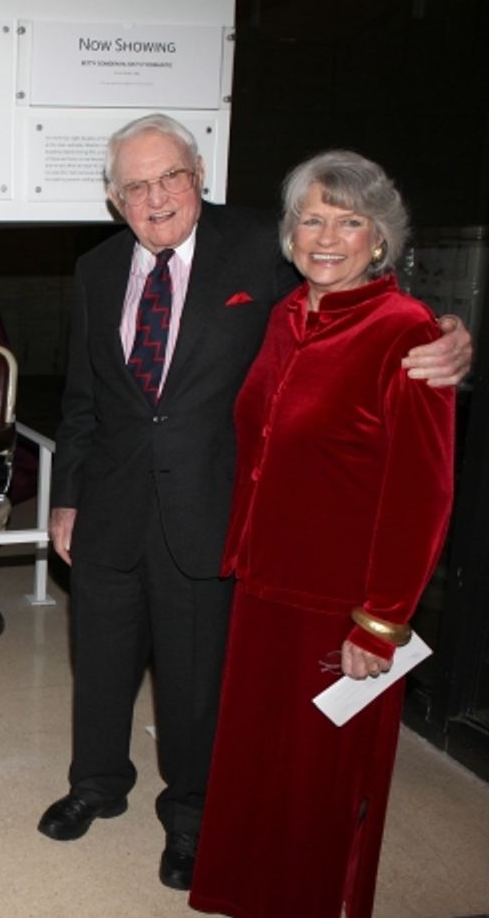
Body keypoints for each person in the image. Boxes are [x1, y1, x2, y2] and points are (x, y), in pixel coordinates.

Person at [38, 114, 470, 892]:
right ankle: (96, 785)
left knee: (196, 680)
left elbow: (355, 295)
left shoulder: (261, 248)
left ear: (199, 174)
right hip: (108, 504)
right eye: (135, 185)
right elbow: (82, 400)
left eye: (170, 176)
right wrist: (66, 498)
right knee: (99, 665)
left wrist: (449, 332)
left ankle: (191, 818)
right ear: (113, 199)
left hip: (211, 514)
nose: (156, 196)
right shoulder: (97, 270)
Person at [188, 152, 455, 918]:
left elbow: (425, 492)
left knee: (322, 783)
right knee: (258, 767)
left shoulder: (406, 331)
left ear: (380, 239)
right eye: (312, 218)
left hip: (342, 604)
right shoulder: (287, 316)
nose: (327, 236)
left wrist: (381, 620)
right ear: (290, 232)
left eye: (349, 221)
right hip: (265, 585)